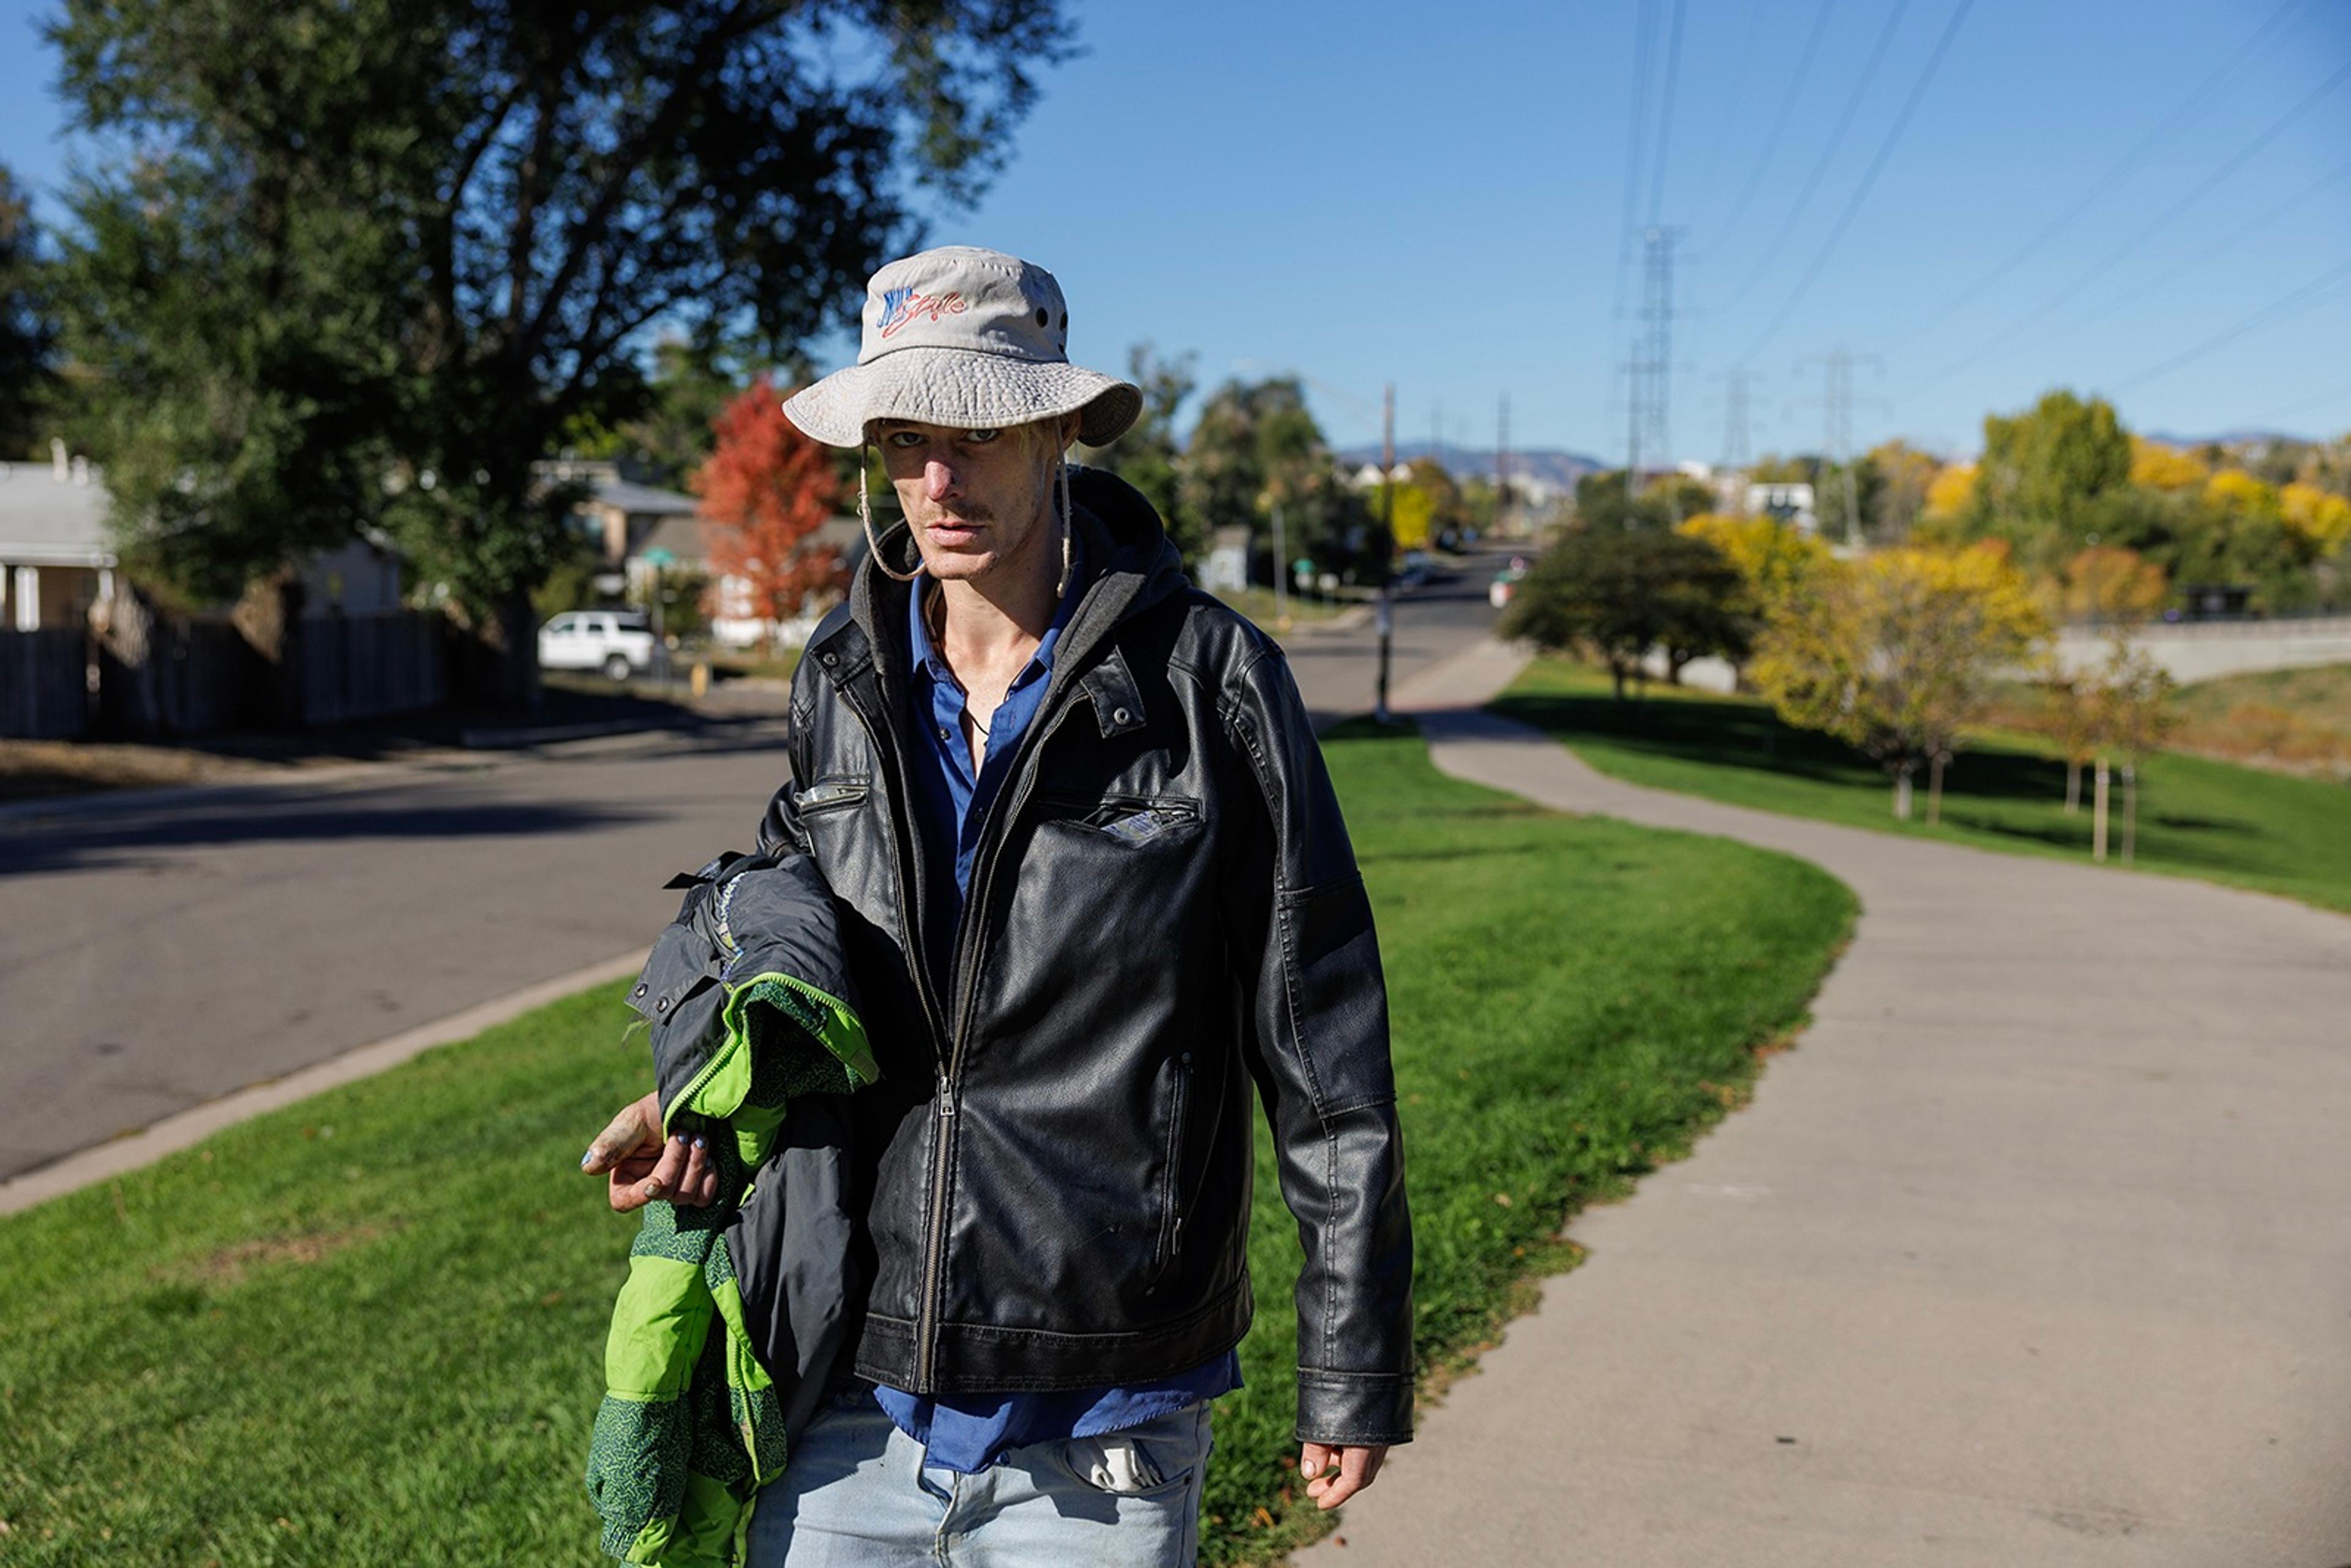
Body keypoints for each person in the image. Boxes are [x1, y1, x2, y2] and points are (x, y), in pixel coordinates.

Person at [582, 246, 1412, 1567]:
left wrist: (1352, 1352)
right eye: (906, 439)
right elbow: (800, 928)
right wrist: (695, 1097)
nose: (937, 480)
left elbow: (1321, 1045)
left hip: (1103, 1421)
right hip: (850, 1387)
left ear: (1058, 432)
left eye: (975, 432)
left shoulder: (1212, 682)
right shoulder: (843, 676)